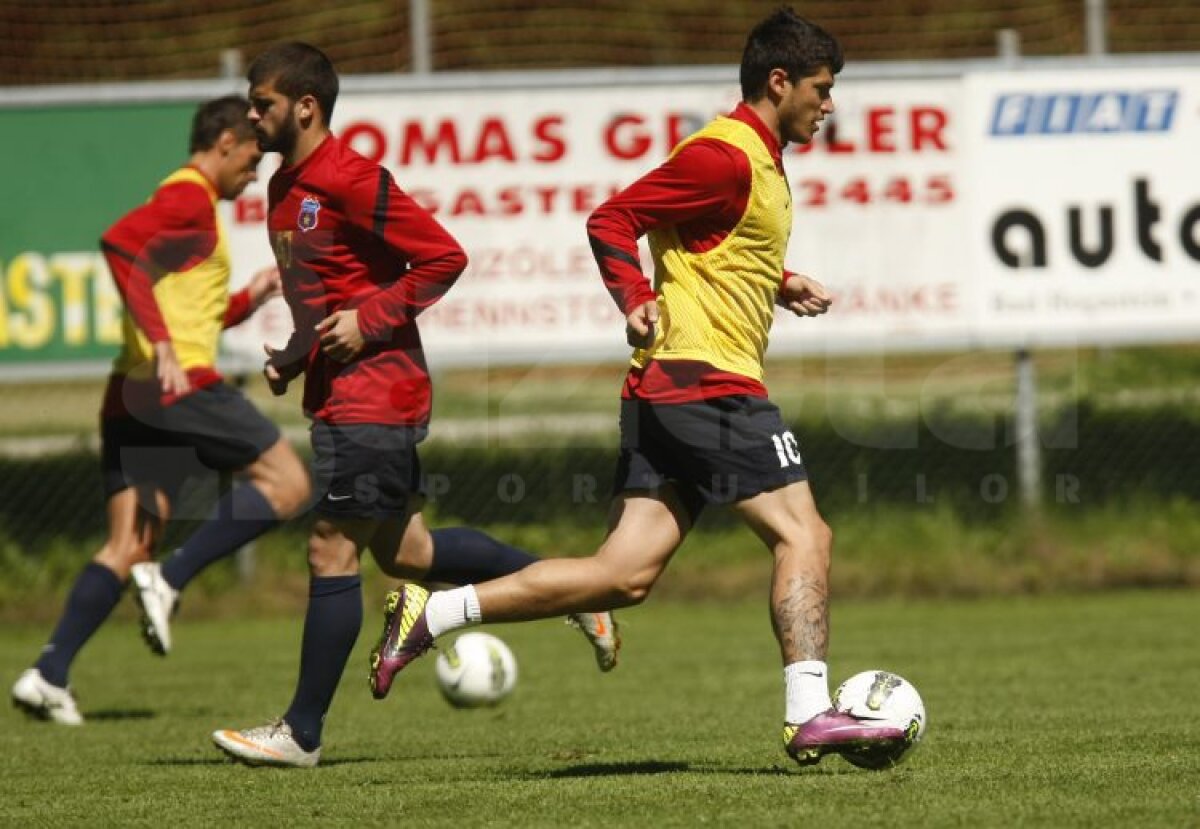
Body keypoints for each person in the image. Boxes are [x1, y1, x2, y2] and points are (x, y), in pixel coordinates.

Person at [366, 9, 909, 767]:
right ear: (778, 82)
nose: (830, 104)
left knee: (622, 577)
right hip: (704, 384)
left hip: (672, 390)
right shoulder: (725, 155)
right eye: (822, 89)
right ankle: (809, 709)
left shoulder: (758, 161)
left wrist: (776, 283)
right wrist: (633, 298)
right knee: (805, 533)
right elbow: (614, 219)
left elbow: (705, 247)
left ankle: (436, 609)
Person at [211, 42, 617, 769]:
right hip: (339, 394)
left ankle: (301, 731)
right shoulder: (281, 190)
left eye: (262, 101)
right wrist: (295, 353)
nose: (251, 113)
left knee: (330, 546)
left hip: (379, 392)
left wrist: (368, 320)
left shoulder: (351, 176)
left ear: (305, 106)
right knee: (412, 552)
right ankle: (576, 592)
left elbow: (443, 256)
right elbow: (325, 295)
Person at [11, 95, 312, 726]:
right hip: (177, 386)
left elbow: (182, 301)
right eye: (252, 158)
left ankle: (48, 672)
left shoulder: (196, 208)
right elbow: (121, 246)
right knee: (287, 484)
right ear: (226, 142)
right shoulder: (188, 196)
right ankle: (170, 580)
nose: (255, 172)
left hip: (131, 391)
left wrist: (243, 303)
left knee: (129, 540)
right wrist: (169, 345)